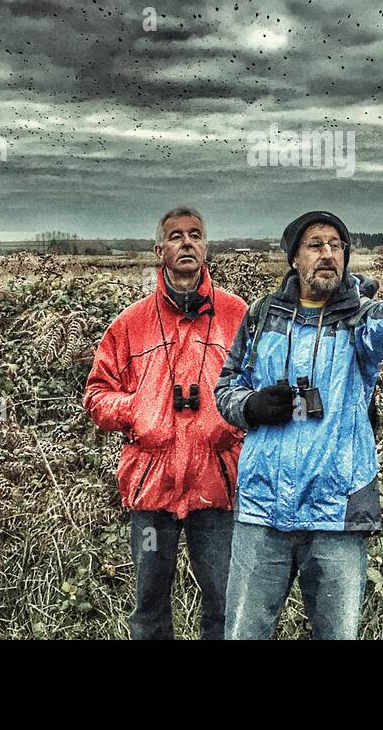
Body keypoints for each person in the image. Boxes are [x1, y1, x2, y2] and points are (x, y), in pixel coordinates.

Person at [215, 210, 383, 639]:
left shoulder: (357, 318)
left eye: (336, 245)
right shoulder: (261, 316)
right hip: (262, 508)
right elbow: (226, 388)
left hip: (336, 513)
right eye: (315, 245)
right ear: (294, 258)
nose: (327, 254)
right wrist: (251, 406)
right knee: (243, 632)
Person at [84, 207, 247, 639]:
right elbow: (96, 395)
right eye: (176, 237)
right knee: (150, 606)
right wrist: (139, 409)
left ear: (206, 248)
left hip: (218, 489)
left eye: (195, 235)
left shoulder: (236, 315)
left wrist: (232, 423)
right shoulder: (130, 324)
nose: (187, 242)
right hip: (152, 492)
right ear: (160, 251)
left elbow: (261, 388)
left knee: (224, 603)